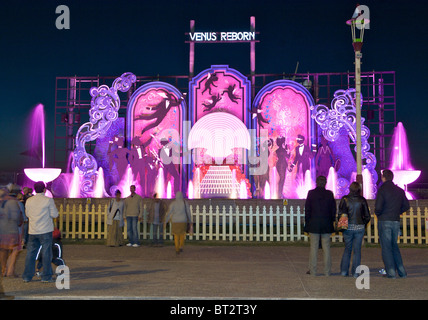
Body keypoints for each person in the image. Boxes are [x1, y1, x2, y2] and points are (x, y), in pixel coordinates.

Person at [375, 169, 410, 278]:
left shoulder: (382, 190)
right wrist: (397, 212)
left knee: (386, 247)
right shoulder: (399, 190)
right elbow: (406, 206)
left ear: (383, 177)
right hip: (395, 220)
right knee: (394, 246)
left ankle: (390, 272)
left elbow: (378, 207)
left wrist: (379, 213)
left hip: (384, 220)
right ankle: (401, 271)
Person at [22, 181, 59, 283]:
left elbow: (28, 214)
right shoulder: (48, 200)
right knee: (47, 253)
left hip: (33, 230)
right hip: (45, 230)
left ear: (34, 189)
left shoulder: (29, 200)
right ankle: (46, 276)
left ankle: (27, 276)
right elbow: (54, 214)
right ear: (44, 189)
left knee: (31, 253)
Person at [304, 175, 337, 276]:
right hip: (326, 224)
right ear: (325, 183)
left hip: (314, 223)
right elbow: (333, 210)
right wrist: (332, 221)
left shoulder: (311, 193)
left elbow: (308, 210)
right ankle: (327, 271)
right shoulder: (329, 194)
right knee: (326, 247)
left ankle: (313, 271)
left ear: (316, 183)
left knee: (313, 248)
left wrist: (307, 222)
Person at [338, 182, 371, 277]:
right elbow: (367, 216)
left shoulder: (345, 199)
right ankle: (355, 272)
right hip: (359, 227)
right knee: (357, 251)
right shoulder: (362, 200)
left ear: (350, 189)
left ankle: (344, 271)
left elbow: (340, 213)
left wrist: (342, 224)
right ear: (359, 190)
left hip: (348, 227)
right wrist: (363, 223)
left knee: (347, 249)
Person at [0, 188, 23, 278]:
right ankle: (10, 271)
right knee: (14, 250)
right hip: (11, 229)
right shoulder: (13, 202)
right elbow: (15, 217)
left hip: (1, 230)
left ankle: (3, 269)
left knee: (3, 250)